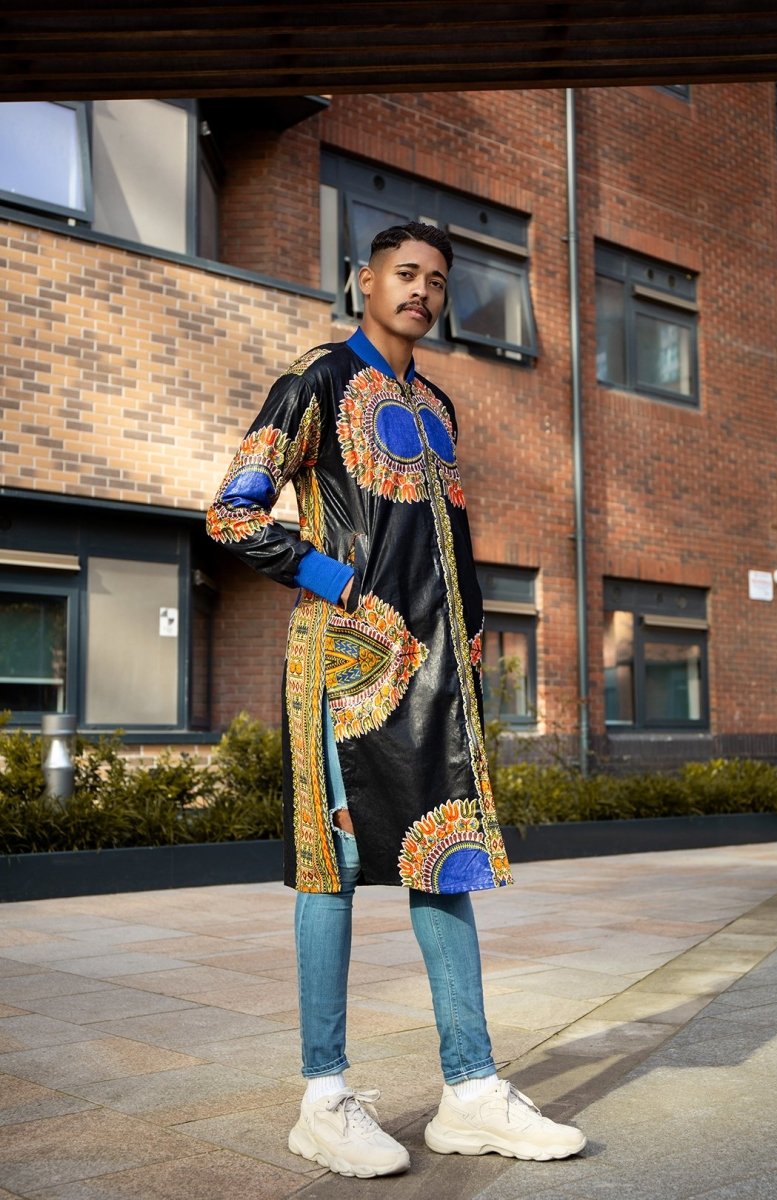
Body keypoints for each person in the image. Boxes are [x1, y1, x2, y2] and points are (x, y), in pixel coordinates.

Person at [207, 222, 587, 1178]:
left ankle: (470, 1093)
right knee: (328, 865)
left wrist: (474, 636)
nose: (422, 291)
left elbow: (448, 537)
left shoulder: (441, 406)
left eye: (437, 281)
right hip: (345, 663)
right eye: (405, 275)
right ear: (362, 281)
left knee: (443, 855)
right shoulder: (317, 383)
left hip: (435, 671)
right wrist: (332, 580)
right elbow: (231, 512)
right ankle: (324, 1098)